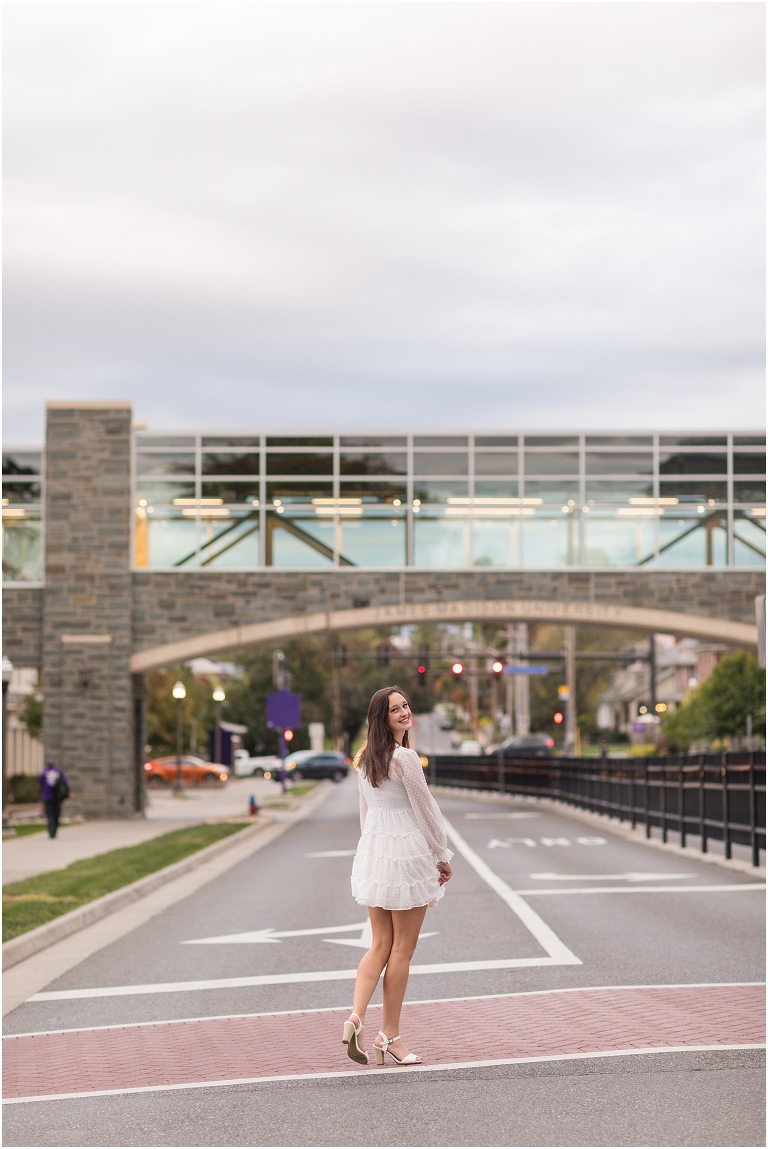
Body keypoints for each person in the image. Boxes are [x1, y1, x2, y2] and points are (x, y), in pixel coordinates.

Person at [343, 686, 453, 1067]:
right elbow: (426, 810)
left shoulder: (364, 760)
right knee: (401, 951)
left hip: (376, 854)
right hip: (406, 854)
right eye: (396, 709)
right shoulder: (405, 758)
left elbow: (365, 815)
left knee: (379, 946)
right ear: (383, 718)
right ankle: (389, 1034)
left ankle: (355, 1016)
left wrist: (371, 852)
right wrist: (441, 855)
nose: (405, 712)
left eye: (406, 705)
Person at [38, 760, 70, 839]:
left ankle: (51, 831)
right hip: (57, 797)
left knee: (49, 815)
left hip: (47, 797)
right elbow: (65, 783)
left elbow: (40, 783)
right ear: (54, 764)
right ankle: (54, 830)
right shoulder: (59, 772)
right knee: (56, 814)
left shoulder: (44, 772)